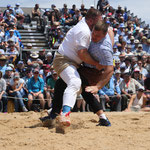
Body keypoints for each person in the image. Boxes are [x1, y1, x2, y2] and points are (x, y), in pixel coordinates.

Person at [42, 19, 114, 127]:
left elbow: (110, 70)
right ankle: (103, 118)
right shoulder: (104, 32)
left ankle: (54, 113)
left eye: (97, 36)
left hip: (93, 72)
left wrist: (98, 87)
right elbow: (110, 30)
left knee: (66, 85)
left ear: (104, 36)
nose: (93, 37)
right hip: (85, 68)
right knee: (79, 90)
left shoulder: (104, 49)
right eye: (93, 33)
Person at [52, 9, 102, 126]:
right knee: (75, 82)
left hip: (72, 62)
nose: (100, 23)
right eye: (98, 21)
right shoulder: (84, 31)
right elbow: (82, 54)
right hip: (64, 60)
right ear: (91, 20)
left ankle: (53, 113)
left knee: (67, 86)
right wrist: (96, 64)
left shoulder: (85, 25)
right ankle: (65, 114)